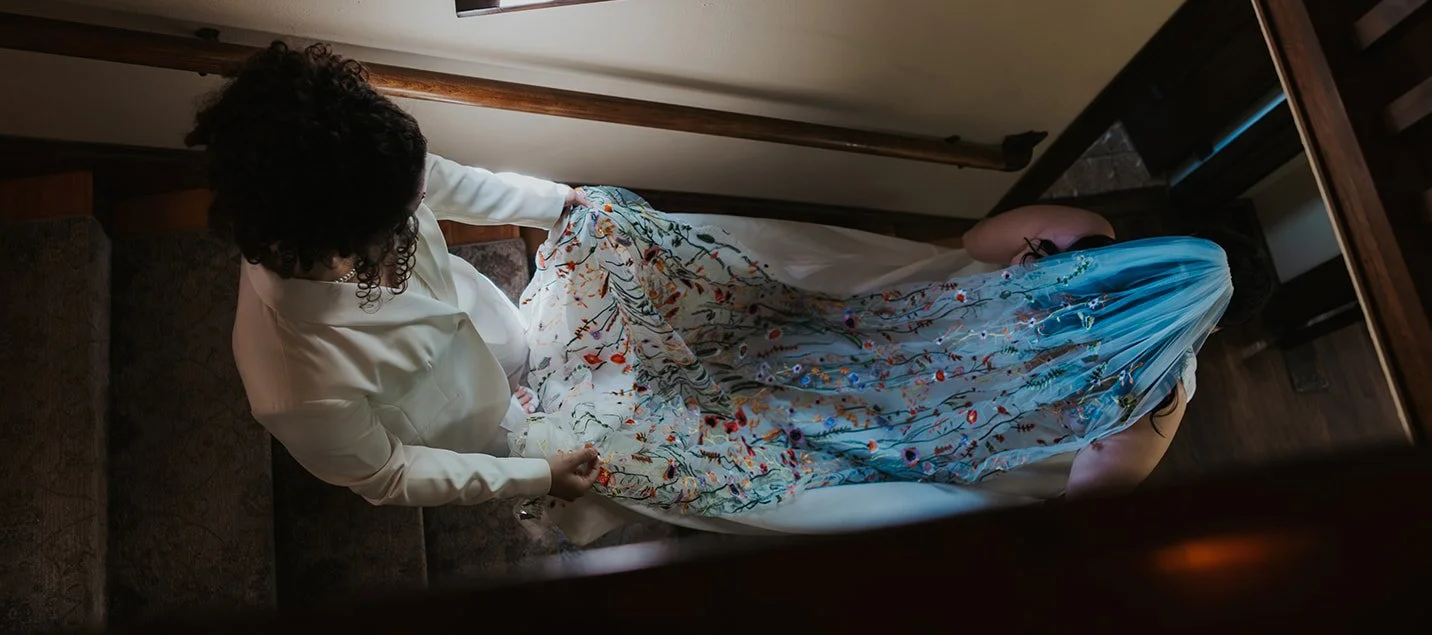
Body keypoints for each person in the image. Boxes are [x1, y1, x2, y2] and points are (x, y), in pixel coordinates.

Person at [510, 190, 1273, 536]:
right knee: (775, 413)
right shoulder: (1153, 412)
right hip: (912, 418)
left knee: (773, 337)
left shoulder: (1083, 237)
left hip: (889, 335)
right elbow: (1075, 507)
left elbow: (978, 241)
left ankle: (625, 368)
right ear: (1208, 331)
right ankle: (614, 414)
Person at [188, 41, 601, 508]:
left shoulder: (371, 162)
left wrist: (547, 203)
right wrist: (534, 476)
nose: (425, 193)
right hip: (460, 424)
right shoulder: (294, 387)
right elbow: (388, 473)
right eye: (412, 204)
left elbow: (442, 179)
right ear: (346, 235)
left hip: (486, 324)